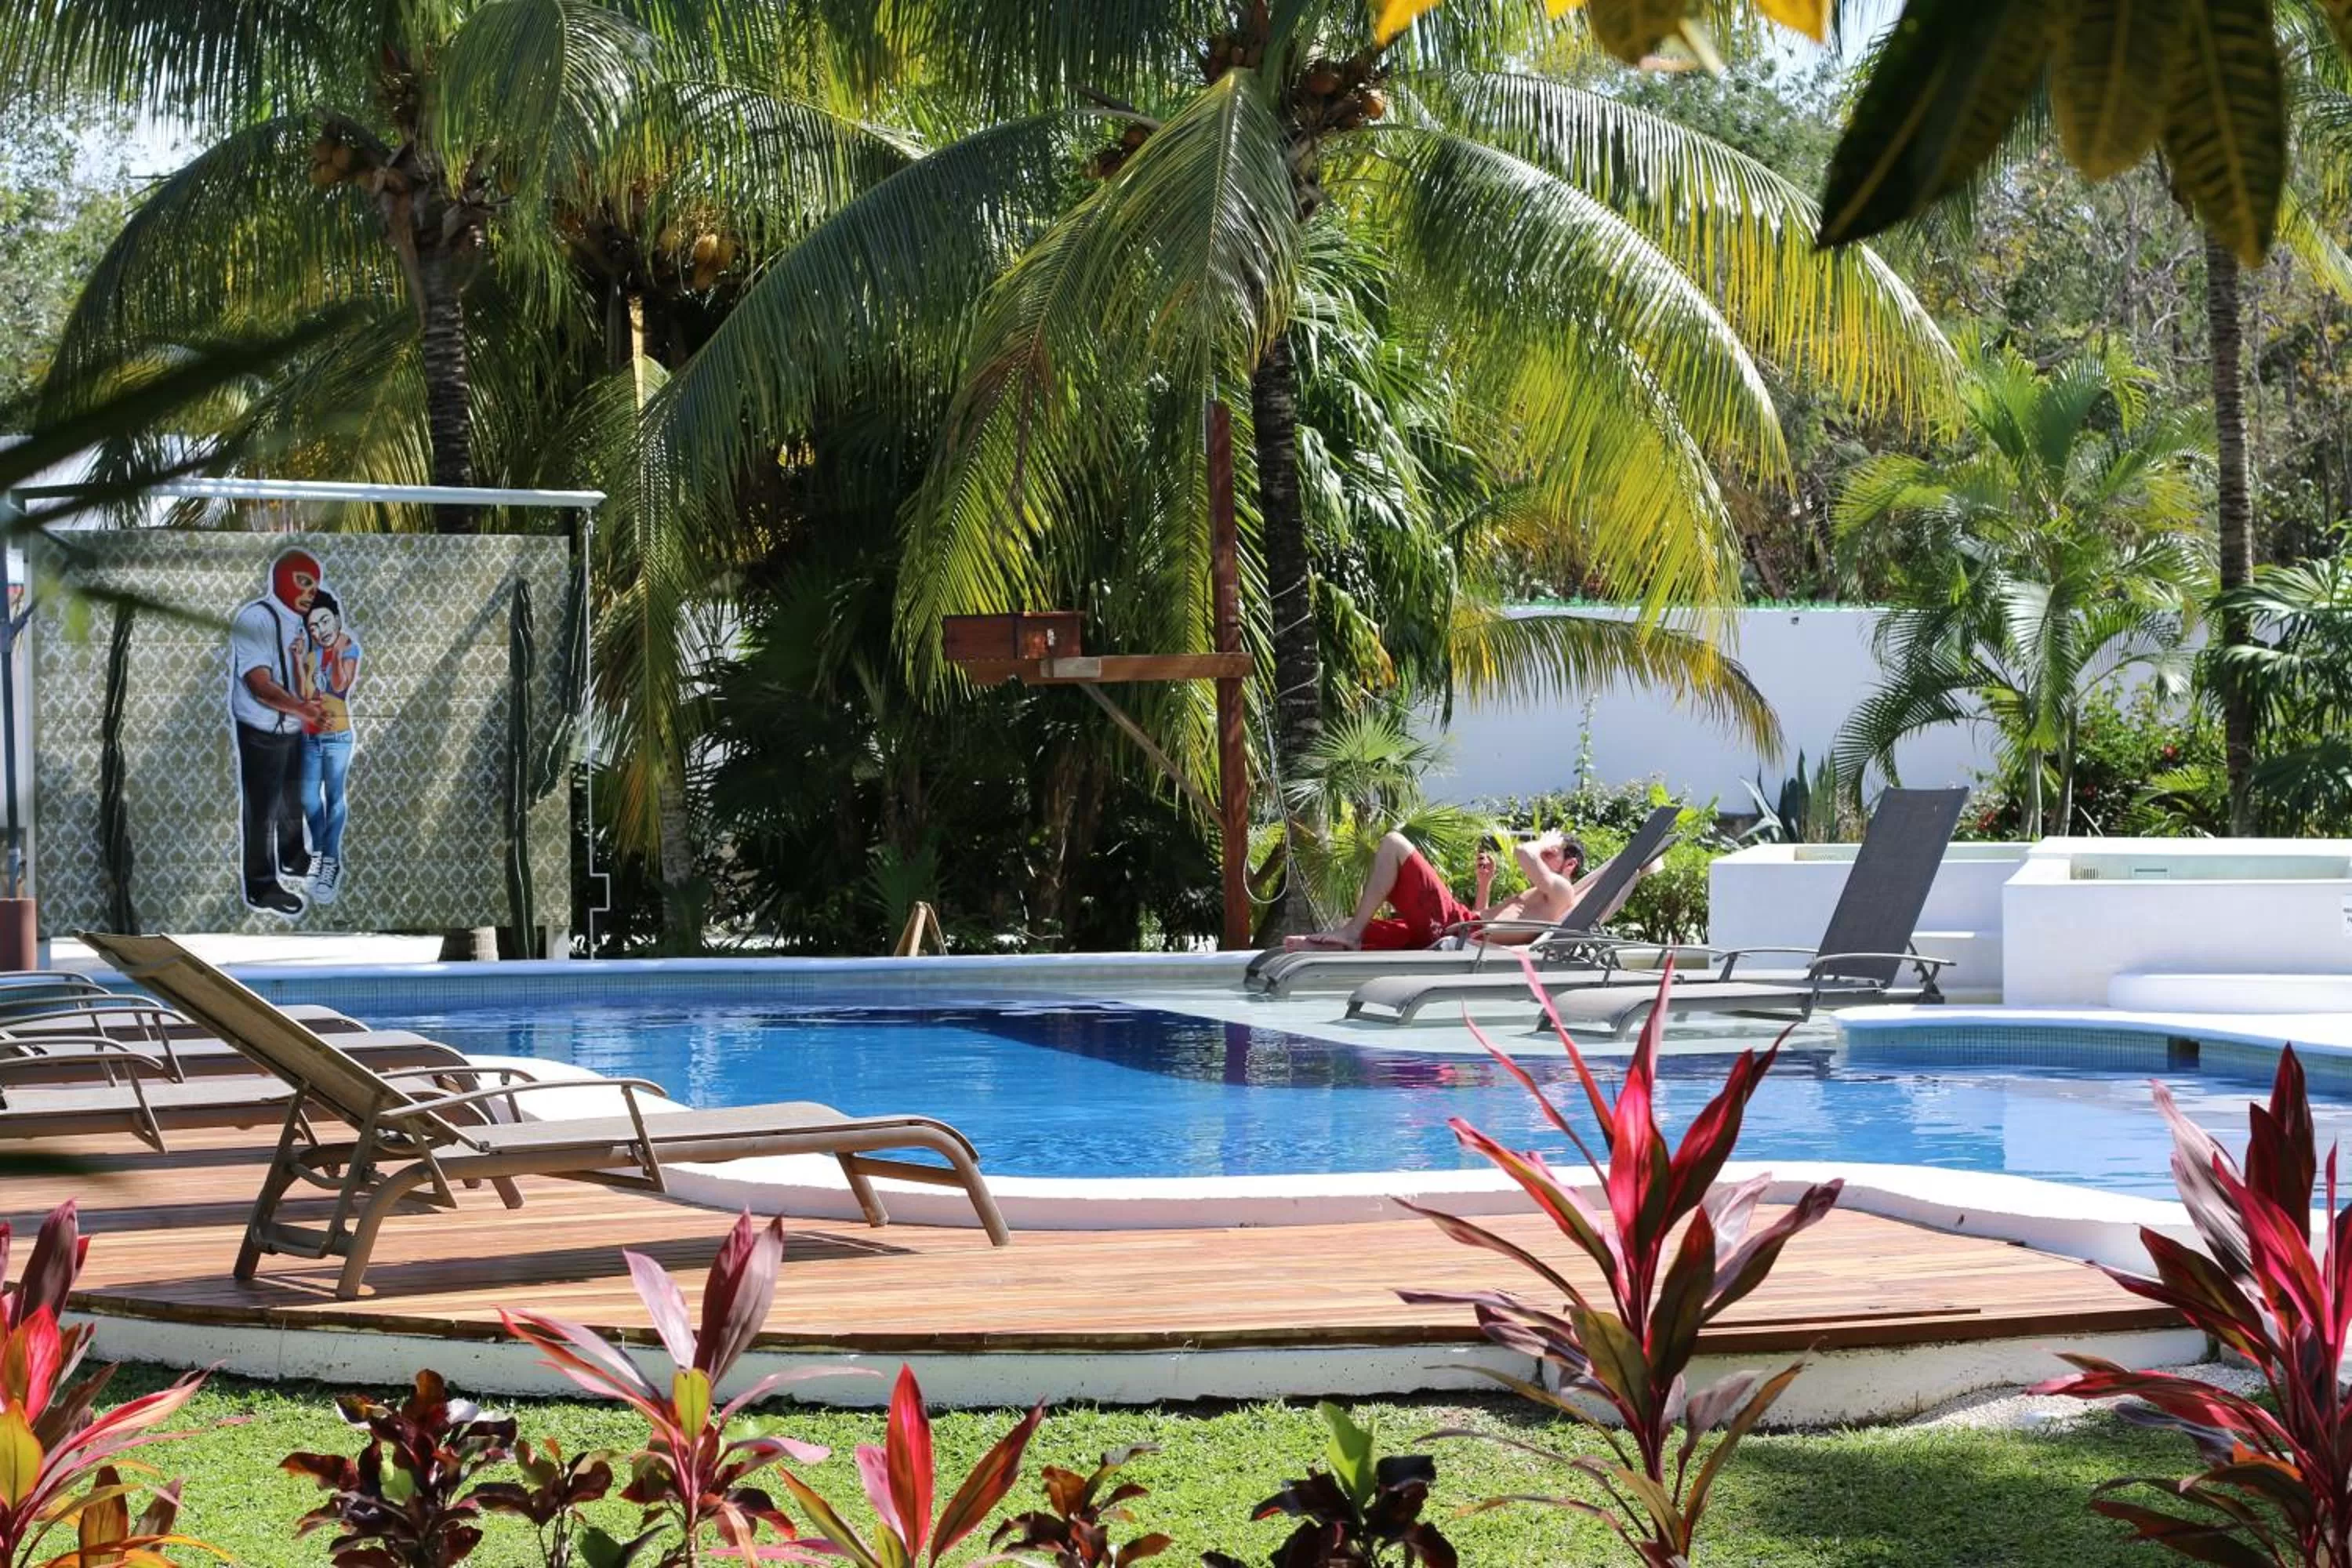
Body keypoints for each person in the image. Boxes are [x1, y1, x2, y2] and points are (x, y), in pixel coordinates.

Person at [1283, 829, 1608, 952]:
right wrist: (1485, 886)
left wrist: (1544, 840)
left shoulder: (1563, 892)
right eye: (1547, 849)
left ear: (1570, 866)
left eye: (1553, 852)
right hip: (1466, 926)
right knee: (1378, 932)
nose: (1544, 853)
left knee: (1395, 843)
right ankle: (1337, 940)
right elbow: (1486, 921)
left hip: (1461, 927)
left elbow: (1523, 852)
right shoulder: (1543, 896)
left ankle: (1352, 932)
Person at [228, 549, 325, 915]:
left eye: (313, 588)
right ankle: (261, 885)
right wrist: (302, 708)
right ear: (283, 578)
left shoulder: (298, 624)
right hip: (261, 729)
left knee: (292, 798)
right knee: (262, 808)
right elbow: (260, 684)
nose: (308, 594)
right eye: (303, 582)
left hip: (292, 726)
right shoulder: (256, 618)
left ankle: (293, 857)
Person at [293, 589, 360, 906]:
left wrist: (336, 648)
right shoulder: (310, 655)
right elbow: (306, 694)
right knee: (308, 798)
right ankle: (322, 851)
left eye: (324, 621)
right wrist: (298, 660)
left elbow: (339, 685)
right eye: (313, 628)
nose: (320, 630)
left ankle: (328, 863)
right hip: (311, 736)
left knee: (334, 798)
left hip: (338, 737)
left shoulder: (349, 649)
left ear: (336, 618)